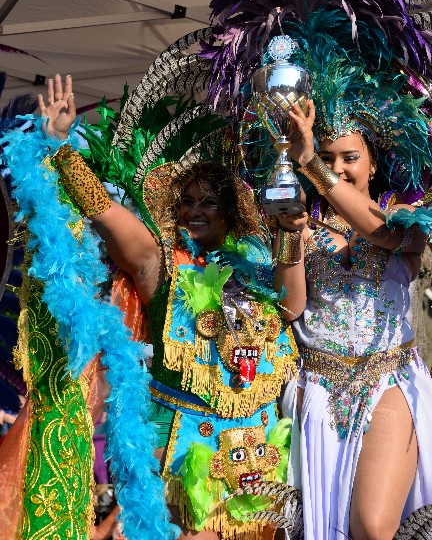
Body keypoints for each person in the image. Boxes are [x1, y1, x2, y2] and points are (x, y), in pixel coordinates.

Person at [37, 74, 300, 540]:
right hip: (183, 446)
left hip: (258, 451)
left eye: (208, 202)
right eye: (186, 202)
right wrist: (62, 150)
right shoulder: (164, 266)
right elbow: (109, 218)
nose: (194, 210)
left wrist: (291, 224)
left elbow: (292, 304)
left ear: (233, 210)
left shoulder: (260, 269)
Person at [275, 100, 432, 540]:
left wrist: (311, 163)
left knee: (371, 527)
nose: (341, 167)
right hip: (318, 392)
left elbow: (381, 234)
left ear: (372, 164)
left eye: (350, 158)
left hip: (389, 381)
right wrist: (288, 236)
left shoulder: (406, 218)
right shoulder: (304, 226)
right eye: (329, 157)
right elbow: (290, 307)